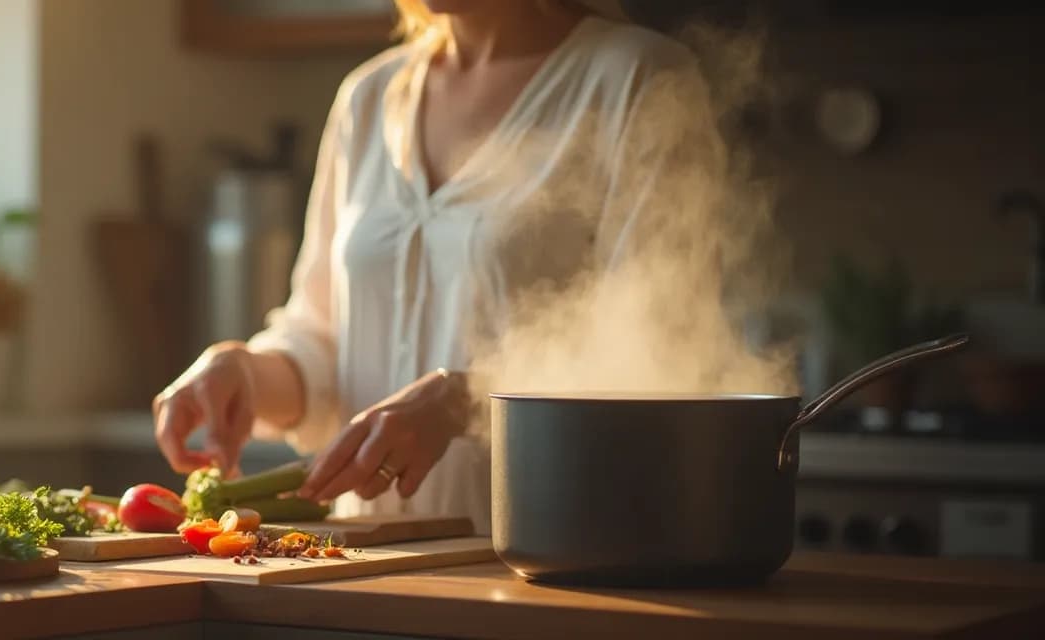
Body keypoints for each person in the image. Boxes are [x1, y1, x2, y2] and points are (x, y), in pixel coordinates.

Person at [153, 0, 723, 534]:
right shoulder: (369, 96)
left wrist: (463, 401)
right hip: (360, 566)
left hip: (549, 563)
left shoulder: (639, 79)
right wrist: (244, 373)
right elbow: (322, 342)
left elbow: (663, 360)